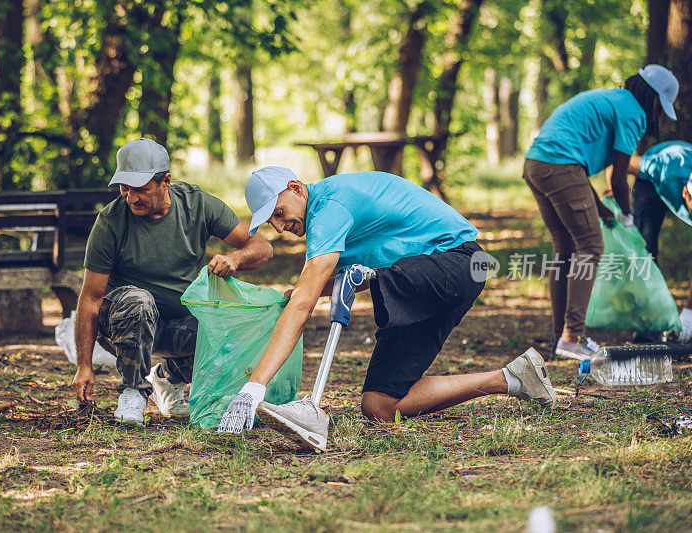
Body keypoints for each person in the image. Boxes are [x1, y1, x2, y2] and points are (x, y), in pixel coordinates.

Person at [217, 167, 558, 448]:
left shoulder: (331, 207)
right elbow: (352, 277)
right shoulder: (324, 215)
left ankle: (308, 407)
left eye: (279, 213)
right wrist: (312, 291)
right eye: (270, 223)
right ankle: (513, 378)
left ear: (296, 188)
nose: (280, 227)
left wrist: (253, 388)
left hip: (461, 263)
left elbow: (307, 303)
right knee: (379, 405)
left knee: (357, 284)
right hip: (427, 278)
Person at [70, 138, 273, 425]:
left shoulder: (197, 205)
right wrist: (84, 365)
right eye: (124, 189)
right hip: (123, 324)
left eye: (140, 189)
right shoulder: (111, 221)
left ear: (165, 181)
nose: (130, 198)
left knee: (231, 330)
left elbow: (263, 248)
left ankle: (166, 378)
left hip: (179, 322)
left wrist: (235, 259)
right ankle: (133, 390)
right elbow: (90, 297)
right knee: (138, 301)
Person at [523, 64, 679, 359]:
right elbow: (617, 178)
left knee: (566, 248)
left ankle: (562, 336)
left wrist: (602, 210)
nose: (658, 115)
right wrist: (627, 216)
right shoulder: (633, 112)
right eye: (661, 108)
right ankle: (573, 336)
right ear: (654, 97)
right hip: (560, 165)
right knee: (591, 246)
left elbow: (589, 170)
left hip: (537, 164)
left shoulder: (613, 100)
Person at [625, 140, 692, 342]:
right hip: (651, 181)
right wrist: (614, 189)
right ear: (686, 194)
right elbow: (621, 163)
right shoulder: (663, 168)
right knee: (645, 248)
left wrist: (687, 319)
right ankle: (646, 322)